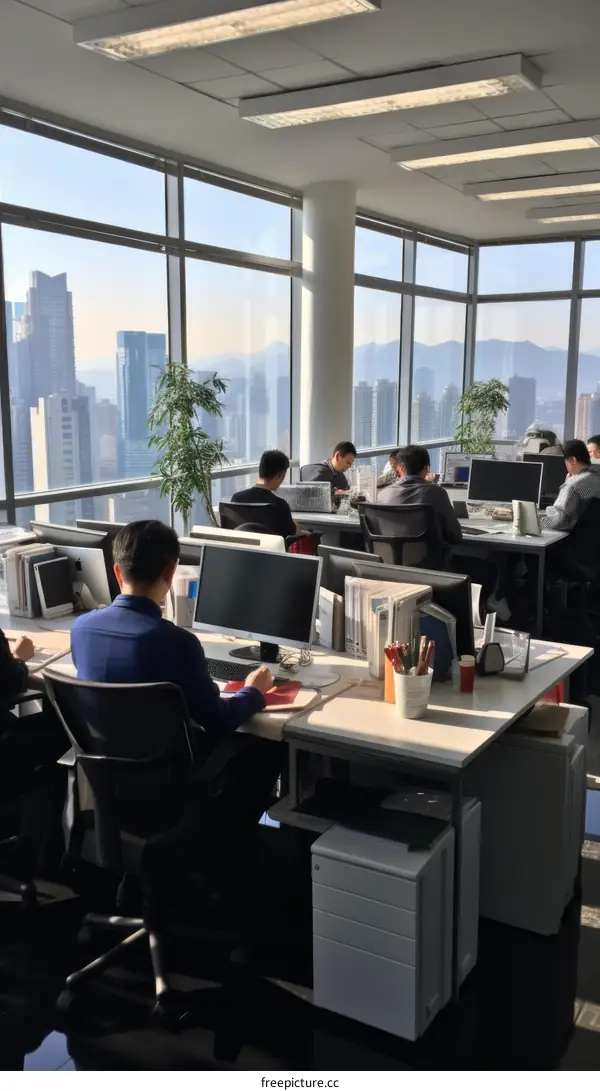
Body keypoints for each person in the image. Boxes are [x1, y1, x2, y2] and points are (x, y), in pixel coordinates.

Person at [71, 520, 274, 745]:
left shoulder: (81, 629)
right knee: (266, 749)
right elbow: (219, 721)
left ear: (117, 572)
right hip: (168, 775)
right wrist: (254, 691)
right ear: (170, 573)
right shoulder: (178, 643)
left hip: (100, 770)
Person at [377, 444, 463, 546]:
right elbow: (455, 535)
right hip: (429, 560)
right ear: (427, 469)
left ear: (400, 469)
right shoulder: (436, 493)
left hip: (386, 559)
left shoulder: (383, 494)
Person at [231, 449, 296, 540]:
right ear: (279, 475)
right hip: (271, 553)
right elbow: (291, 533)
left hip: (243, 551)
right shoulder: (280, 506)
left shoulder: (237, 498)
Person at [543, 439, 600, 533]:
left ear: (573, 460)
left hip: (573, 543)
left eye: (565, 461)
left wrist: (537, 521)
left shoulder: (573, 486)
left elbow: (559, 521)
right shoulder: (596, 477)